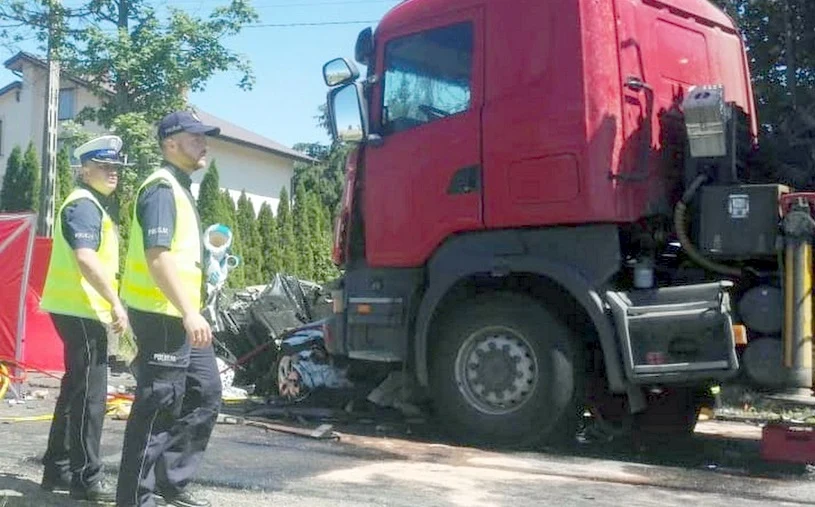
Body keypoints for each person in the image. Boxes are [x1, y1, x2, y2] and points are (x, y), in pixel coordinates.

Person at [116, 110, 222, 507]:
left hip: (180, 316)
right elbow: (157, 256)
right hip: (161, 315)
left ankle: (170, 481)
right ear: (170, 144)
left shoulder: (179, 187)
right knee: (158, 406)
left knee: (205, 392)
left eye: (204, 138)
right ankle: (134, 498)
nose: (203, 144)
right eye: (195, 138)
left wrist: (193, 309)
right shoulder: (161, 188)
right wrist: (189, 311)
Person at [40, 135, 129, 503]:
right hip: (82, 309)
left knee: (75, 390)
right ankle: (85, 478)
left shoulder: (88, 204)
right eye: (105, 166)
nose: (113, 172)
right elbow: (86, 258)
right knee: (89, 397)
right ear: (84, 169)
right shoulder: (84, 205)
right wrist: (115, 302)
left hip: (76, 308)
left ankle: (57, 468)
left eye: (117, 167)